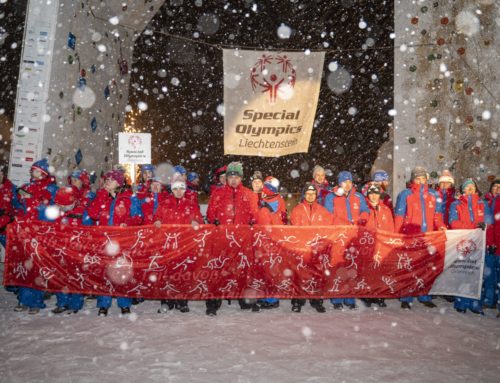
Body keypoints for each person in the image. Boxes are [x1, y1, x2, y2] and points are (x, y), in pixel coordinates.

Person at [87, 170, 142, 316]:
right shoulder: (102, 196)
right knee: (104, 271)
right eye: (106, 179)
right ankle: (103, 304)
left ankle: (124, 303)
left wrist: (126, 223)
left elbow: (137, 217)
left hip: (122, 241)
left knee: (122, 271)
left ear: (119, 182)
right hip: (105, 241)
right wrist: (102, 195)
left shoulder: (129, 197)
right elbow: (92, 214)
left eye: (110, 179)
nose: (107, 182)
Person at [206, 162, 258, 315]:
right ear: (227, 178)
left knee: (243, 268)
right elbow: (210, 213)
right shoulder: (218, 193)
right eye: (230, 176)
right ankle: (214, 301)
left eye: (236, 176)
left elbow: (254, 214)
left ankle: (244, 299)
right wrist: (215, 221)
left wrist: (252, 221)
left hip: (242, 239)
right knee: (219, 269)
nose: (233, 179)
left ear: (241, 178)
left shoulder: (249, 194)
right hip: (223, 238)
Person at [394, 166, 446, 309]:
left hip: (428, 238)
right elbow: (399, 216)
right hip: (410, 237)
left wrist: (441, 226)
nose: (421, 181)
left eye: (423, 178)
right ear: (413, 180)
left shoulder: (434, 195)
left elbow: (438, 216)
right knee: (409, 268)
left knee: (427, 269)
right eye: (418, 178)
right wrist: (397, 235)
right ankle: (406, 297)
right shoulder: (405, 194)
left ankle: (425, 296)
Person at [14, 159, 58, 314]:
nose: (34, 172)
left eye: (37, 170)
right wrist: (20, 205)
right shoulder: (26, 187)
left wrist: (33, 202)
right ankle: (23, 299)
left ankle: (36, 302)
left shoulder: (51, 189)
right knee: (24, 266)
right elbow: (17, 207)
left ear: (44, 173)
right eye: (33, 170)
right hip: (25, 231)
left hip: (39, 232)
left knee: (38, 267)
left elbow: (51, 212)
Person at [154, 174, 203, 314]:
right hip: (168, 244)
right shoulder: (164, 204)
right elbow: (157, 217)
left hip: (184, 245)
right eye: (176, 189)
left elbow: (199, 219)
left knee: (183, 273)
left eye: (181, 189)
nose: (179, 192)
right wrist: (157, 221)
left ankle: (182, 300)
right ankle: (167, 301)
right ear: (172, 190)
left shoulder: (190, 204)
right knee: (166, 273)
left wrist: (196, 222)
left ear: (185, 189)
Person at [324, 171, 369, 310]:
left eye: (350, 181)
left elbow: (366, 210)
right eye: (345, 182)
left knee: (351, 267)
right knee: (337, 267)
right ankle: (337, 298)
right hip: (338, 238)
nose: (348, 184)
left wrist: (362, 218)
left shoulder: (358, 196)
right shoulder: (331, 197)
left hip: (353, 238)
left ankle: (349, 297)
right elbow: (328, 216)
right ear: (339, 183)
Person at [448, 179, 493, 315]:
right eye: (467, 187)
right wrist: (473, 226)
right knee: (463, 273)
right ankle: (461, 302)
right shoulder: (456, 204)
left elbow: (489, 220)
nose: (470, 189)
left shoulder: (482, 204)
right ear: (463, 190)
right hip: (463, 244)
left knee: (478, 274)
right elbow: (453, 223)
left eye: (473, 187)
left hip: (480, 244)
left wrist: (485, 225)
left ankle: (475, 304)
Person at [290, 182, 333, 313]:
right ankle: (298, 301)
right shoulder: (297, 209)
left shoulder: (322, 211)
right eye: (308, 193)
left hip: (317, 250)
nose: (310, 196)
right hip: (302, 249)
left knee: (317, 275)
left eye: (313, 193)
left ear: (316, 195)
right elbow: (294, 229)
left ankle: (316, 300)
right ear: (304, 194)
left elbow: (329, 229)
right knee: (299, 276)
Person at [51, 187, 92, 315]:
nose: (61, 208)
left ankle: (75, 303)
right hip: (60, 249)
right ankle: (62, 302)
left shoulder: (82, 212)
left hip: (76, 251)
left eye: (64, 205)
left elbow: (89, 231)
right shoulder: (56, 212)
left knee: (76, 276)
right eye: (59, 205)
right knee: (60, 276)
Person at [255, 177, 287, 309]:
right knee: (265, 269)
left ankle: (272, 299)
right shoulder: (264, 200)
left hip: (272, 240)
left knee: (272, 270)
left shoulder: (275, 201)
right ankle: (267, 296)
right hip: (264, 239)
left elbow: (279, 220)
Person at [362, 183, 394, 308]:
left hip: (383, 245)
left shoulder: (386, 209)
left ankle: (379, 294)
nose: (374, 196)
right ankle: (368, 295)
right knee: (369, 270)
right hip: (369, 245)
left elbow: (390, 227)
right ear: (368, 195)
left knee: (381, 270)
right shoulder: (365, 209)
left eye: (376, 193)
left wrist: (390, 242)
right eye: (371, 193)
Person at [484, 179, 500, 316]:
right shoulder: (485, 202)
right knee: (489, 275)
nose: (498, 189)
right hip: (489, 245)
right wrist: (490, 242)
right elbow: (488, 225)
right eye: (495, 186)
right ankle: (489, 300)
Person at [0, 165, 17, 250]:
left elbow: (17, 205)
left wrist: (11, 217)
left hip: (5, 224)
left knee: (11, 249)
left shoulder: (11, 187)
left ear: (3, 174)